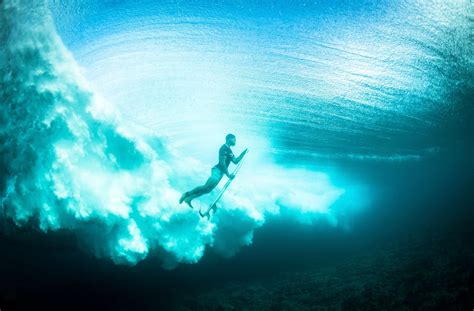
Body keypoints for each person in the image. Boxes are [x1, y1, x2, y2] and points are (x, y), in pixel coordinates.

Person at [179, 134, 248, 208]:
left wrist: (243, 153)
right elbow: (222, 163)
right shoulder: (223, 148)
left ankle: (189, 199)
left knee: (207, 190)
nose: (235, 141)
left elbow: (235, 161)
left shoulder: (230, 151)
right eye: (234, 139)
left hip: (221, 173)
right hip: (217, 170)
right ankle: (186, 194)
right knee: (206, 187)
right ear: (229, 139)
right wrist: (228, 175)